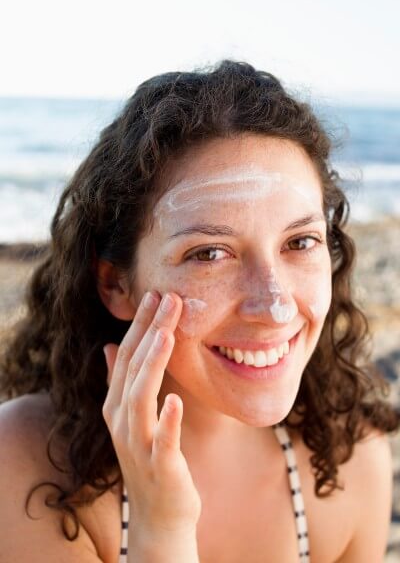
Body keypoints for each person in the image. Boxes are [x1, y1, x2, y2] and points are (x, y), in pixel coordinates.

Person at [0, 60, 398, 563]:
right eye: (209, 253)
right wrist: (161, 532)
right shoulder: (24, 465)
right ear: (115, 283)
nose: (274, 308)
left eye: (300, 241)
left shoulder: (353, 462)